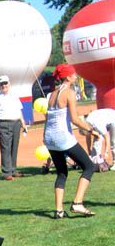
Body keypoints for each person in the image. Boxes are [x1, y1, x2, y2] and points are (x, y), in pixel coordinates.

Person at [44, 63, 96, 218]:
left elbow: (49, 117)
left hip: (49, 137)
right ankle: (78, 203)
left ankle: (59, 211)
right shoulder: (69, 92)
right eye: (74, 74)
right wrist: (90, 129)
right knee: (89, 166)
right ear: (68, 77)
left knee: (61, 172)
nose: (76, 76)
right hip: (62, 137)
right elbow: (74, 119)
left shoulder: (52, 94)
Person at [0, 76, 28, 180]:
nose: (4, 86)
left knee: (14, 147)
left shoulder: (14, 95)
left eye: (5, 83)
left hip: (16, 123)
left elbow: (19, 111)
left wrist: (23, 123)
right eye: (2, 84)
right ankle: (7, 173)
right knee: (5, 148)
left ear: (9, 84)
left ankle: (13, 170)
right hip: (3, 123)